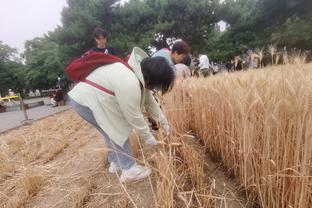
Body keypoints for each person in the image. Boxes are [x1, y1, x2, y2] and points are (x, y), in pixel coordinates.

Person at [68, 47, 175, 182]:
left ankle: (116, 163)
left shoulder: (137, 74)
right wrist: (148, 137)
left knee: (110, 131)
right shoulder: (129, 81)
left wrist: (164, 124)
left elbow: (151, 103)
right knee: (118, 128)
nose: (156, 88)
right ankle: (129, 169)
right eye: (158, 85)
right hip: (87, 102)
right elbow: (133, 116)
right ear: (153, 79)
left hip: (83, 99)